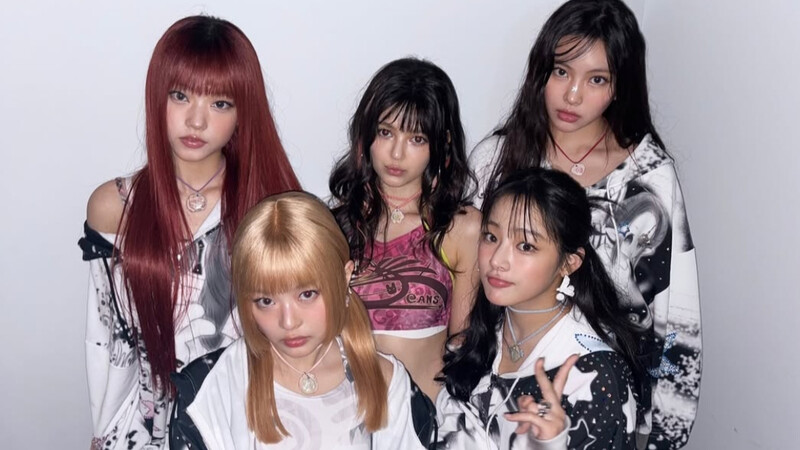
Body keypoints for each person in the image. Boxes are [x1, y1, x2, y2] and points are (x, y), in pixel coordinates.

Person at [469, 0, 701, 447]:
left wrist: (664, 436)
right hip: (496, 386)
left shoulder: (647, 179)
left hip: (605, 400)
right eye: (561, 72)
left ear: (619, 87)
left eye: (596, 79)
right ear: (540, 70)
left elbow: (675, 321)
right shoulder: (496, 159)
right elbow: (466, 275)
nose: (572, 95)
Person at [78, 15, 300, 450]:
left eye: (220, 103)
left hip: (249, 426)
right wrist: (104, 435)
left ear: (243, 112)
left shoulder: (272, 208)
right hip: (148, 430)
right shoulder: (115, 207)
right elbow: (108, 342)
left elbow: (296, 336)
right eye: (180, 95)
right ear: (157, 95)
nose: (196, 120)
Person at [169, 191, 433, 449]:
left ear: (345, 277)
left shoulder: (387, 382)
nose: (288, 322)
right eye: (266, 301)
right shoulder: (210, 389)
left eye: (307, 295)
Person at [437, 169, 644, 449]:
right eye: (491, 237)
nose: (497, 260)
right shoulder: (481, 334)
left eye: (525, 246)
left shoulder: (596, 373)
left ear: (569, 262)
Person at [328, 58, 481, 400]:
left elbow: (464, 345)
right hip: (342, 413)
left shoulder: (460, 228)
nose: (396, 153)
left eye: (416, 139)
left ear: (442, 143)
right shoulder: (334, 225)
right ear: (366, 134)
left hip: (423, 417)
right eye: (386, 132)